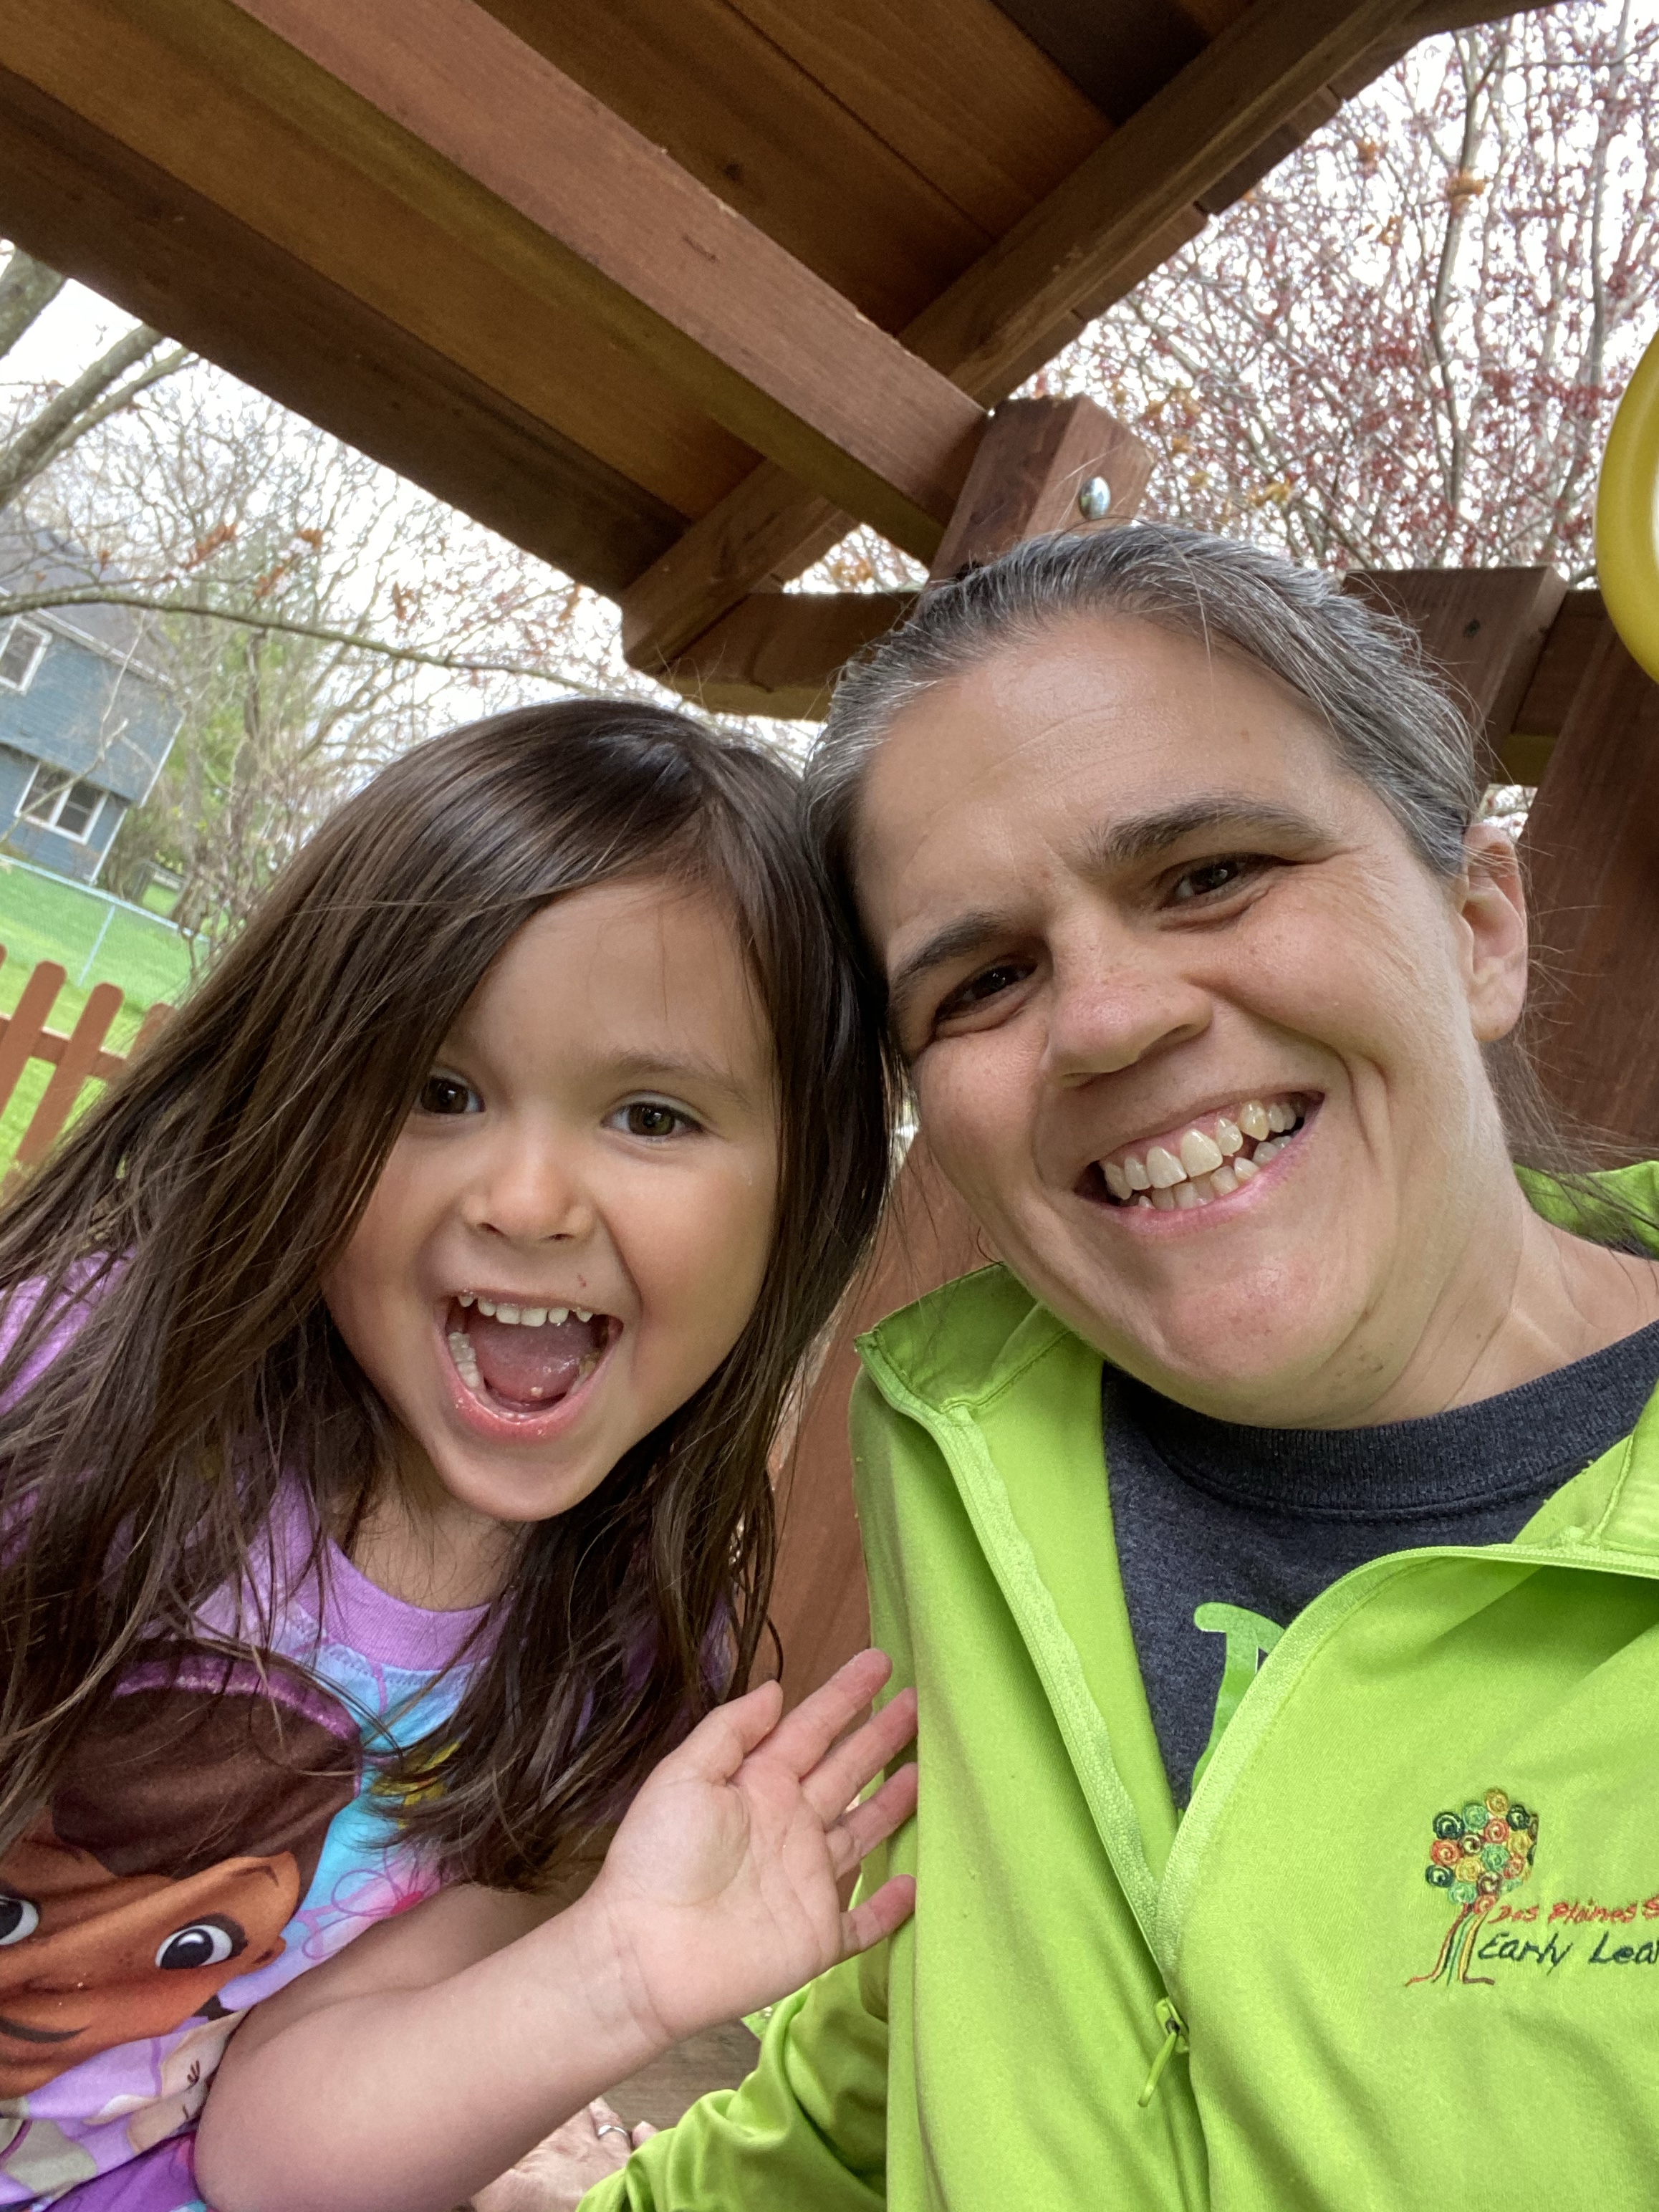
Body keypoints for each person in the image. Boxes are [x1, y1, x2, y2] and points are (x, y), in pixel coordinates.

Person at [572, 524, 1659, 2210]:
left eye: (1210, 873)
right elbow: (908, 2065)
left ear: (1479, 923)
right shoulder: (967, 1445)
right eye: (985, 977)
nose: (1104, 1018)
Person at [0, 701, 918, 2212]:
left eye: (652, 1113)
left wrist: (612, 1971)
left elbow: (271, 2149)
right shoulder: (78, 1391)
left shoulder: (617, 1669)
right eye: (440, 1092)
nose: (530, 1198)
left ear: (805, 1193)